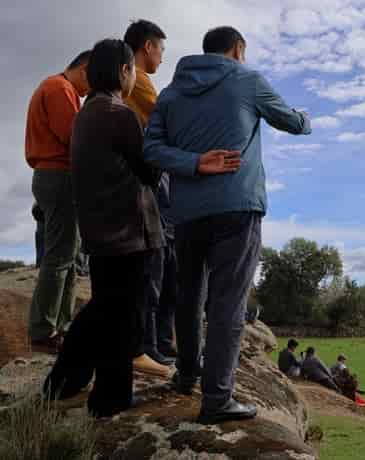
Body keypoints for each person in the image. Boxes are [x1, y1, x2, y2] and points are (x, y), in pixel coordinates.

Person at [143, 26, 311, 424]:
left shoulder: (170, 93)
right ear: (238, 50)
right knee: (227, 304)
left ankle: (186, 375)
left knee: (189, 296)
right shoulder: (247, 80)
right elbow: (291, 122)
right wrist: (306, 119)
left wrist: (193, 163)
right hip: (237, 207)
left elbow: (150, 149)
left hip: (185, 212)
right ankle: (217, 399)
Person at [41, 39, 163, 417]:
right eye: (130, 71)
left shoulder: (85, 113)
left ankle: (64, 381)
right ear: (123, 72)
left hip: (100, 231)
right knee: (121, 318)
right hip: (129, 232)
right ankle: (109, 399)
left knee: (104, 310)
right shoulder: (120, 113)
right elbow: (149, 172)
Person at [25, 49, 91, 354]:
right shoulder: (59, 88)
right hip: (59, 176)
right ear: (84, 68)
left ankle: (60, 327)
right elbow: (73, 137)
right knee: (60, 257)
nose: (91, 87)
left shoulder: (59, 88)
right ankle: (43, 330)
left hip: (55, 176)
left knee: (68, 256)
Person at [123, 19, 176, 374]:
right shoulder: (140, 82)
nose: (161, 56)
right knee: (157, 258)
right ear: (147, 47)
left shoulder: (134, 82)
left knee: (161, 259)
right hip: (149, 177)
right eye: (160, 49)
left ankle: (156, 342)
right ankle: (148, 345)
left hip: (144, 177)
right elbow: (167, 120)